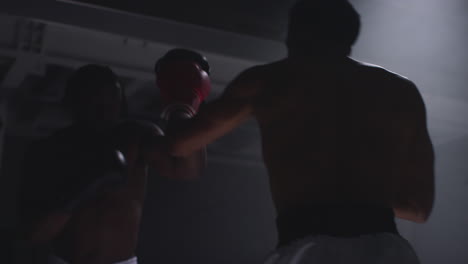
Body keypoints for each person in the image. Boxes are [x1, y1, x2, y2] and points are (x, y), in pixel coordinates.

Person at [163, 1, 435, 263]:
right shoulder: (402, 93)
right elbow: (419, 209)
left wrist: (184, 101)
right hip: (387, 253)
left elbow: (179, 145)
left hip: (309, 246)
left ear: (293, 33)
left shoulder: (268, 81)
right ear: (350, 38)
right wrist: (363, 196)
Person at [17, 51, 211, 264]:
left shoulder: (136, 136)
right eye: (96, 102)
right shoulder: (48, 150)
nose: (106, 110)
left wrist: (184, 106)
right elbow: (33, 234)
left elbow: (188, 170)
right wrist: (81, 189)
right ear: (75, 103)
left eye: (112, 102)